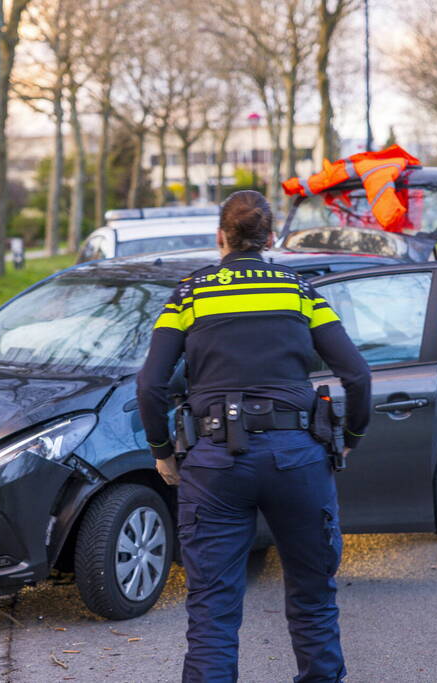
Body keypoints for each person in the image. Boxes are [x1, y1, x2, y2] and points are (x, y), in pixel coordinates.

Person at [136, 190, 371, 683]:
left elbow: (151, 382)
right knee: (312, 598)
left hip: (215, 463)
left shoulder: (189, 293)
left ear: (220, 237)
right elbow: (357, 373)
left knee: (213, 610)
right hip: (298, 458)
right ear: (269, 239)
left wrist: (162, 452)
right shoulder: (300, 291)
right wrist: (349, 435)